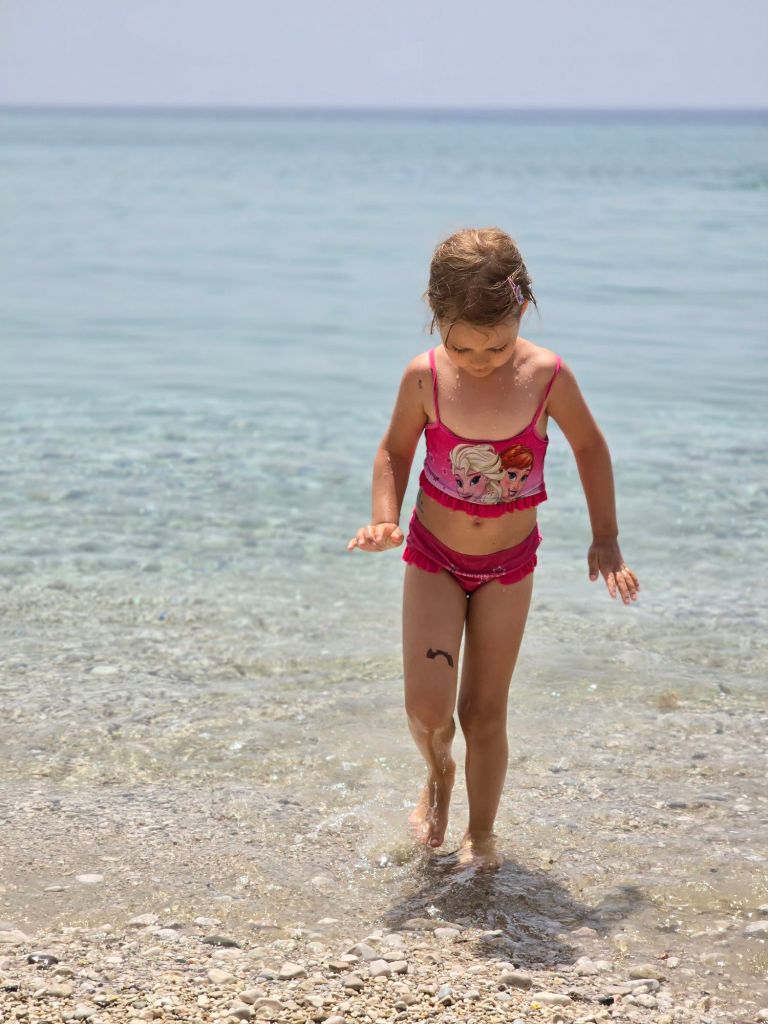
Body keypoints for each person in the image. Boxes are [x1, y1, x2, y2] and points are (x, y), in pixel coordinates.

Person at [346, 227, 639, 872]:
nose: (479, 360)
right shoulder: (423, 379)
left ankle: (480, 836)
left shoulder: (547, 377)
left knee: (483, 711)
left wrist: (606, 535)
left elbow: (590, 447)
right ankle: (437, 774)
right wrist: (383, 519)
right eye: (462, 346)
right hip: (434, 556)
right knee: (428, 709)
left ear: (522, 310)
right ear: (436, 318)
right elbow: (395, 451)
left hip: (509, 566)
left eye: (496, 346)